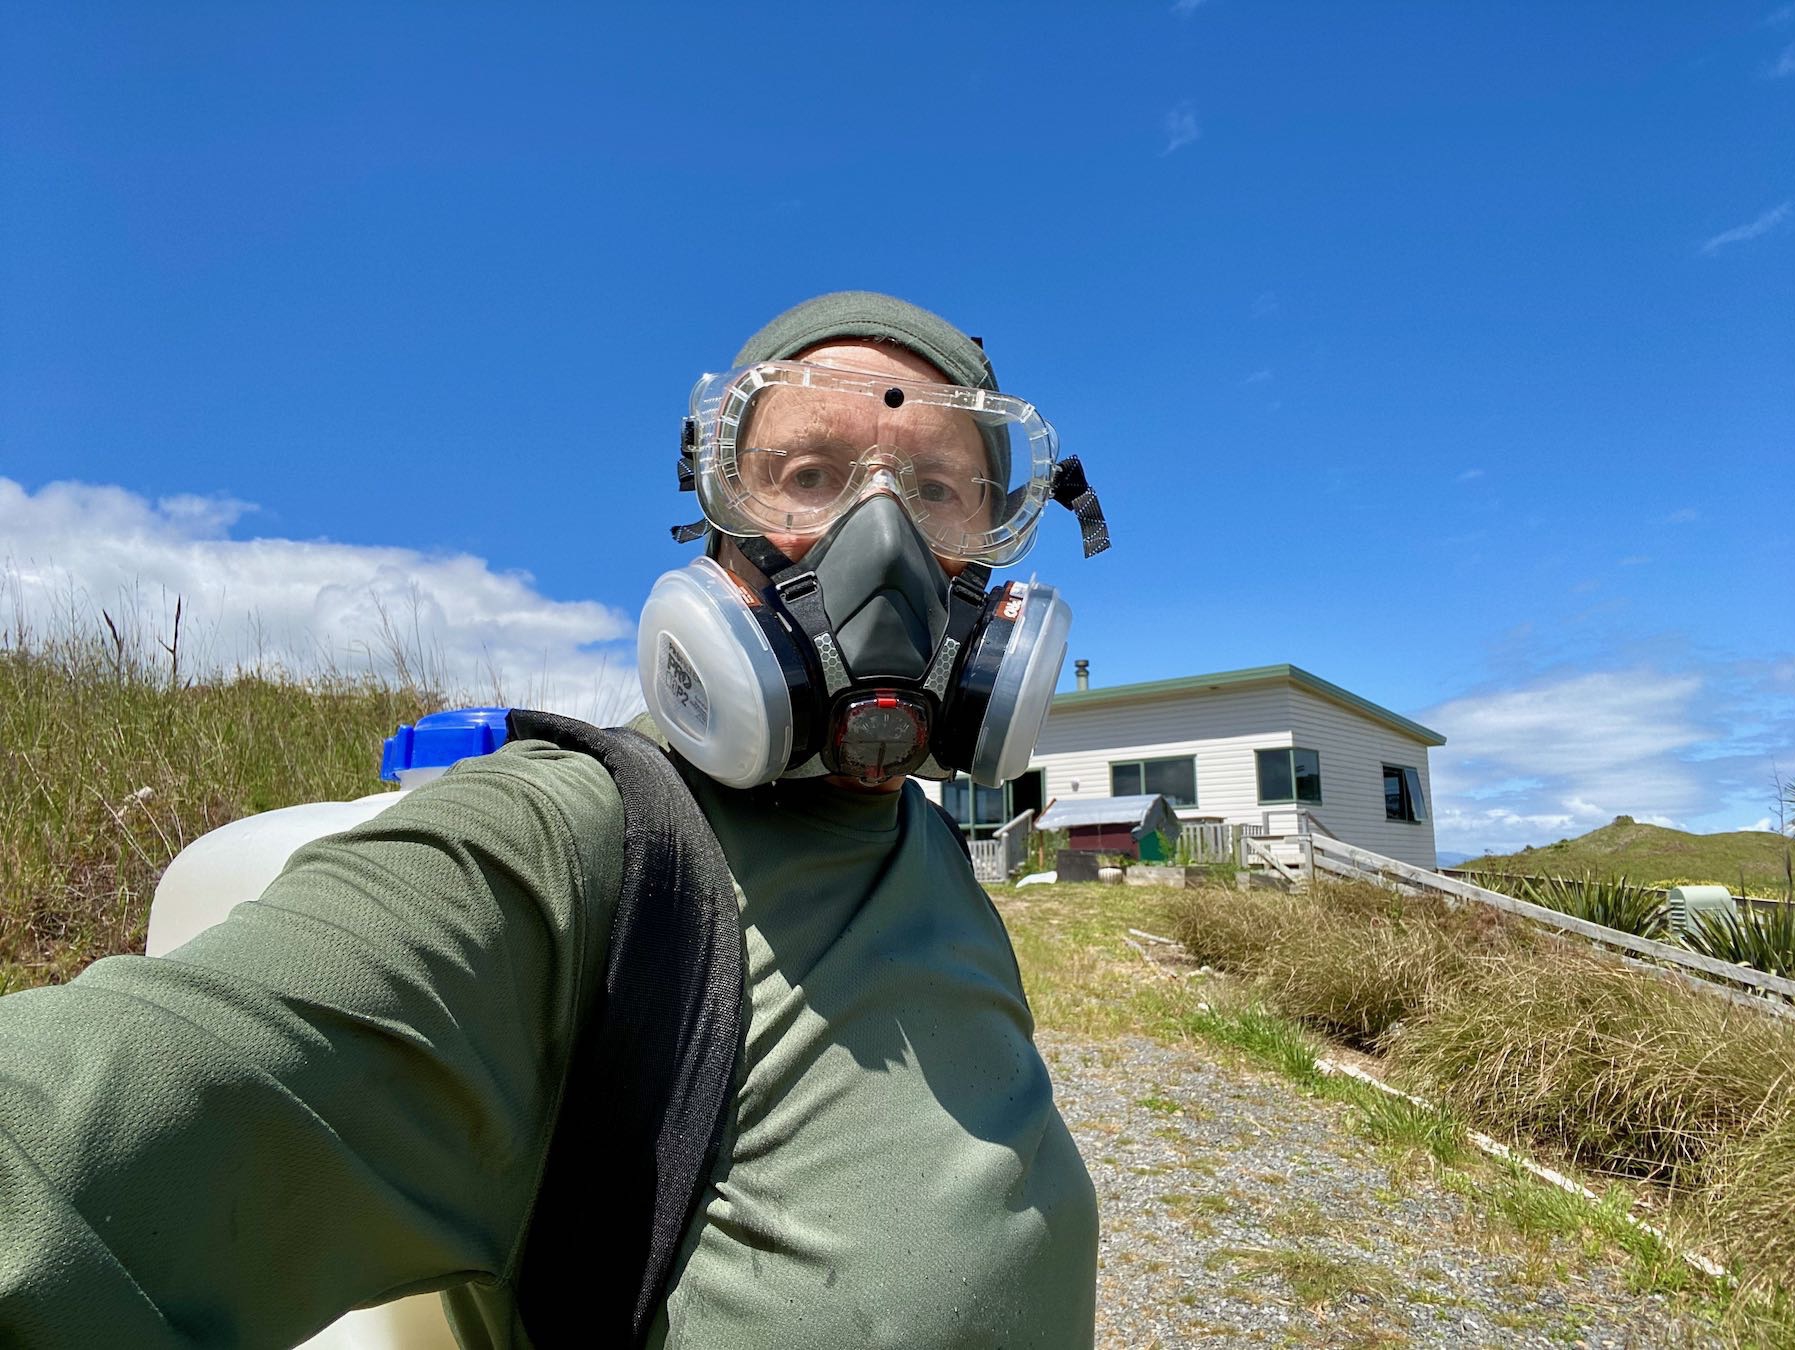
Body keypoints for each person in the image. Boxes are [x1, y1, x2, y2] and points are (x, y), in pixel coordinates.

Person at [0, 291, 1104, 1348]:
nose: (881, 539)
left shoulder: (926, 842)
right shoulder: (575, 840)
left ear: (1001, 552)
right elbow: (105, 1115)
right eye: (807, 475)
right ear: (718, 531)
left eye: (939, 489)